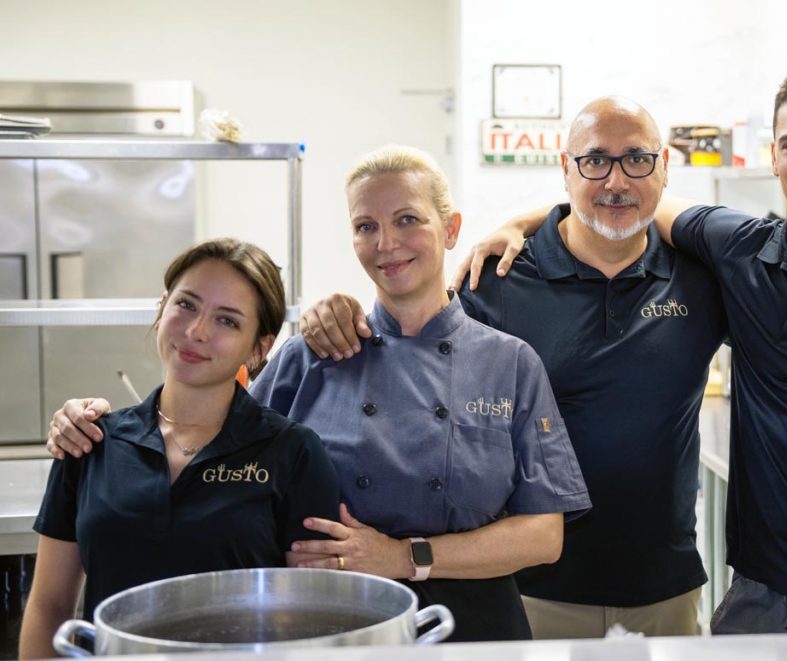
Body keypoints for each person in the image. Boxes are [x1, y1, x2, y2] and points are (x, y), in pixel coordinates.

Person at [284, 98, 787, 637]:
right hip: (529, 591)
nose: (615, 179)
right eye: (594, 162)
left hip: (663, 590)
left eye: (635, 160)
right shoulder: (501, 276)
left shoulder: (704, 276)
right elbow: (412, 341)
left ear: (663, 169)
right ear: (565, 170)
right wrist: (333, 315)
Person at [455, 65, 787, 634]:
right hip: (746, 599)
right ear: (775, 155)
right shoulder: (741, 256)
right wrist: (524, 220)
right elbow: (625, 199)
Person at [46, 146, 591, 643]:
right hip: (341, 627)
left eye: (407, 219)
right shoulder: (311, 354)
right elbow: (211, 436)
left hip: (477, 627)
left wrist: (403, 556)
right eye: (365, 226)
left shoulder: (510, 362)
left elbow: (544, 536)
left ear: (450, 229)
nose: (386, 243)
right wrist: (97, 425)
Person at [20, 239, 340, 659]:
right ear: (161, 307)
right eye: (186, 305)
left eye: (227, 321)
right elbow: (49, 606)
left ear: (260, 347)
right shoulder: (91, 441)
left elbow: (311, 617)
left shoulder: (292, 452)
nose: (196, 332)